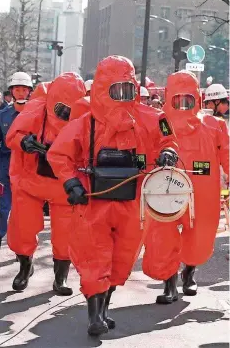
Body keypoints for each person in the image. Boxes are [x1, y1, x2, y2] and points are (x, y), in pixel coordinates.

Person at [48, 55, 178, 336]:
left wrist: (169, 152)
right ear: (102, 89)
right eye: (114, 89)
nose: (121, 96)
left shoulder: (153, 118)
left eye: (126, 89)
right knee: (95, 258)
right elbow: (58, 154)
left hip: (132, 203)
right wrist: (72, 184)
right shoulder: (85, 123)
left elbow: (169, 139)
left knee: (122, 260)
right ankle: (94, 315)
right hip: (94, 202)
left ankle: (104, 309)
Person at [142, 71, 229, 304]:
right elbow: (148, 151)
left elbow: (227, 155)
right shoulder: (160, 123)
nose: (182, 104)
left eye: (187, 99)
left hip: (203, 192)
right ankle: (169, 284)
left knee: (199, 235)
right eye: (177, 99)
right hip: (165, 189)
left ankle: (189, 272)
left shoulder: (214, 125)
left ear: (197, 98)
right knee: (162, 237)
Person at [6, 72, 86, 295]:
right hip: (31, 180)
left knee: (66, 234)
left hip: (64, 184)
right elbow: (13, 136)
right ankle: (25, 267)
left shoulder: (85, 116)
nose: (65, 113)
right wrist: (26, 142)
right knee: (22, 228)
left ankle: (60, 279)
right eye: (61, 107)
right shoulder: (37, 108)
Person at [0, 72, 33, 249]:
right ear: (11, 91)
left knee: (25, 212)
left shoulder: (37, 114)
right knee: (1, 207)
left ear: (29, 91)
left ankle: (24, 254)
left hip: (29, 167)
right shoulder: (3, 115)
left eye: (24, 89)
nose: (20, 93)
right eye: (17, 89)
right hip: (5, 167)